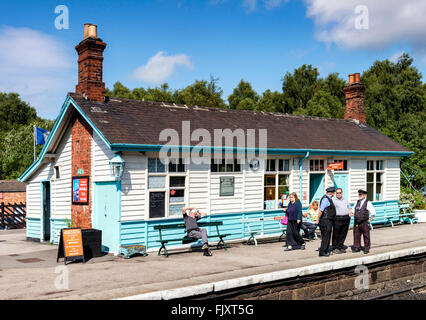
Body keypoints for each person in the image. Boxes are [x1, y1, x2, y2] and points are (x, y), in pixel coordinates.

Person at [352, 189, 376, 254]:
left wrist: (370, 220)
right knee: (356, 235)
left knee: (366, 236)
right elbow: (353, 210)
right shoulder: (357, 202)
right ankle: (357, 247)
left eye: (361, 194)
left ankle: (366, 248)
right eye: (359, 194)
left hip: (364, 222)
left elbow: (373, 212)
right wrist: (355, 216)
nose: (359, 195)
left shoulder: (368, 202)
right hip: (357, 222)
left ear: (364, 195)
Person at [316, 187, 336, 257]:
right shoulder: (326, 199)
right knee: (326, 236)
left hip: (327, 220)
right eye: (334, 193)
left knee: (326, 236)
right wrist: (318, 219)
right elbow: (321, 210)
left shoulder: (328, 198)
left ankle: (325, 250)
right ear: (332, 193)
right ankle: (322, 252)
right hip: (325, 221)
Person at [332, 188, 352, 254]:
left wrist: (349, 214)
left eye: (340, 192)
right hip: (337, 218)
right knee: (336, 233)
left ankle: (340, 246)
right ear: (335, 193)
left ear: (342, 193)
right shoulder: (333, 200)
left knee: (343, 233)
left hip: (346, 218)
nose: (338, 194)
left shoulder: (345, 200)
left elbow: (349, 208)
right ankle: (335, 247)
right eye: (337, 193)